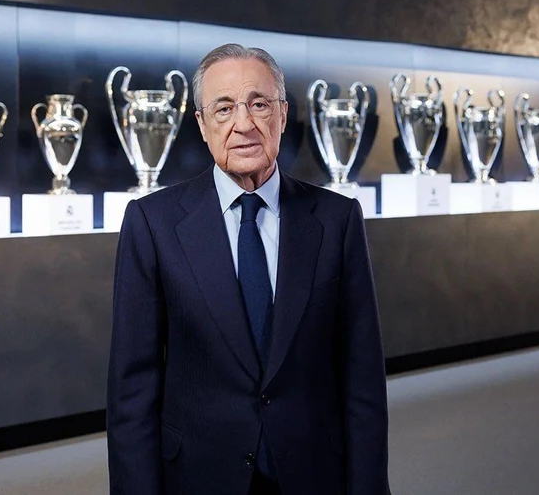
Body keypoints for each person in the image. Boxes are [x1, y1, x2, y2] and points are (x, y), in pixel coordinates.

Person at [107, 43, 390, 495]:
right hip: (199, 476)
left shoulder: (337, 220)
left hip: (313, 473)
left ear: (282, 114)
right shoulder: (152, 223)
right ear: (202, 125)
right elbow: (132, 392)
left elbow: (363, 378)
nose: (243, 124)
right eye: (223, 109)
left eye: (259, 104)